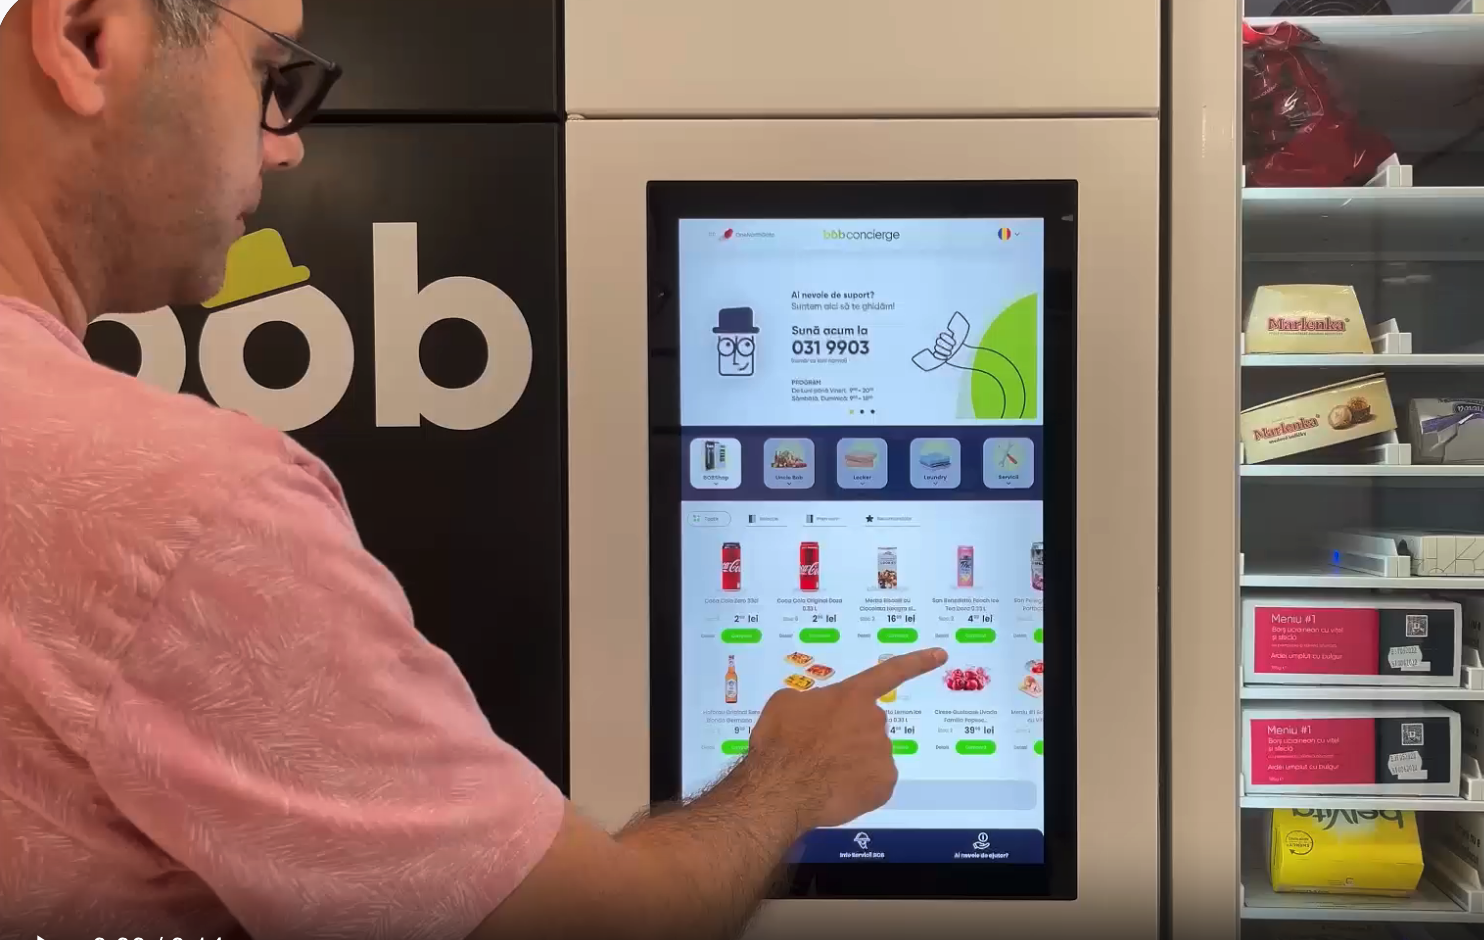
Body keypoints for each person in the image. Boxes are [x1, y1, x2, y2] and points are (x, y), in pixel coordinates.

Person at [0, 1, 948, 937]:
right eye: (265, 73)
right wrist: (794, 775)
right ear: (88, 37)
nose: (285, 147)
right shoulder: (190, 511)